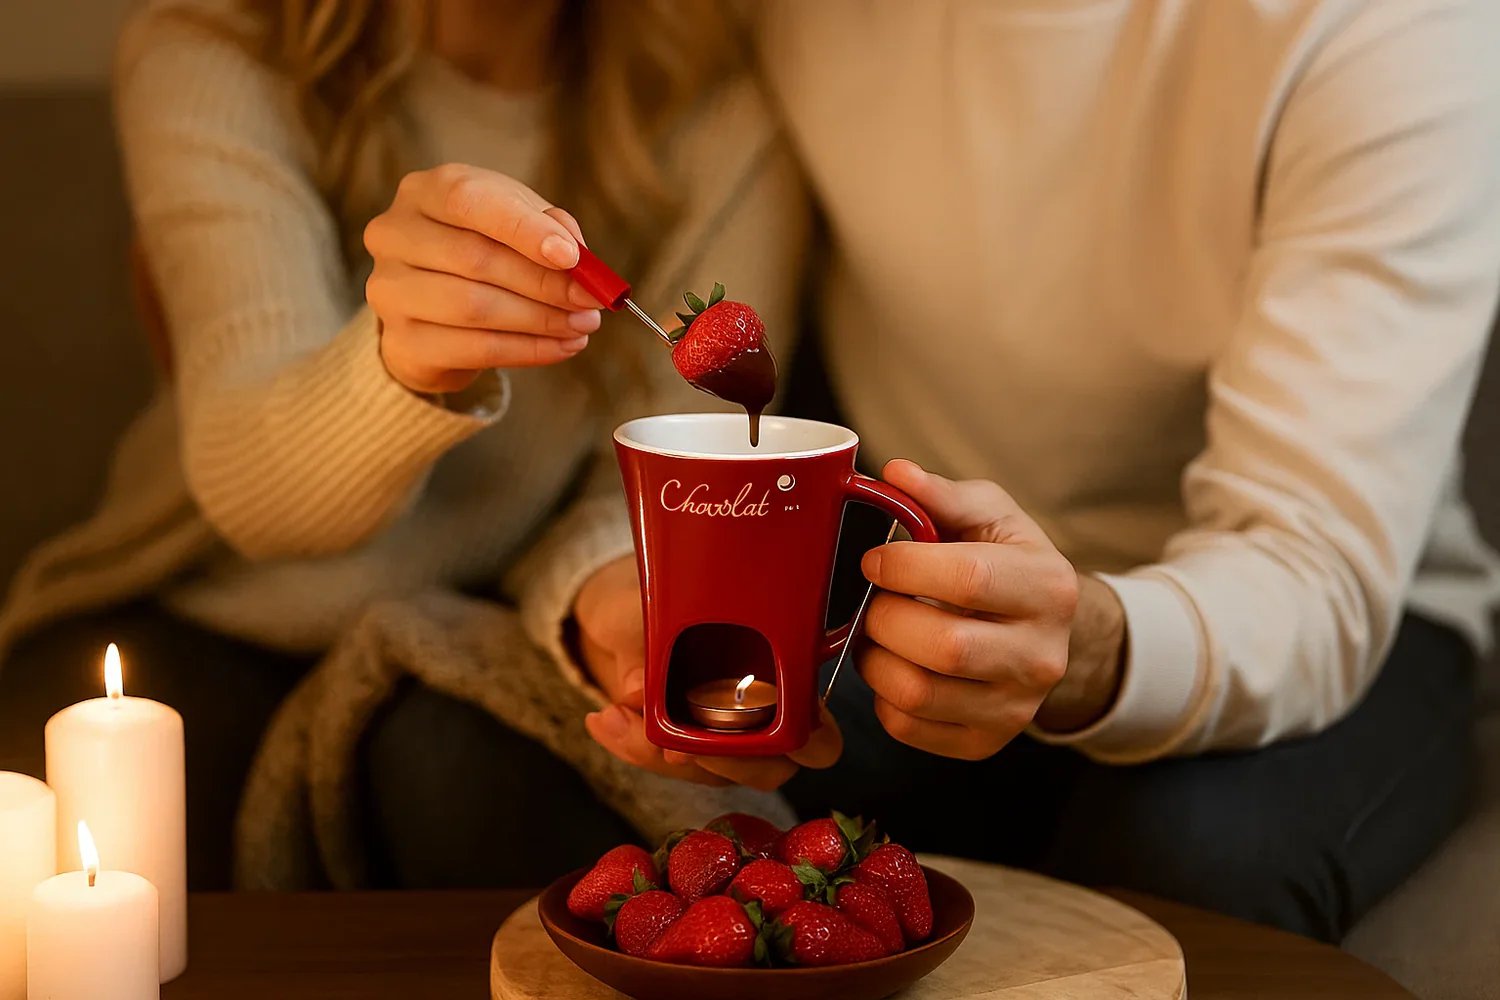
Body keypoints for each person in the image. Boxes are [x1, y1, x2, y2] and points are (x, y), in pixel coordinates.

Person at [569, 0, 1500, 941]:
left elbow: (1315, 565)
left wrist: (1087, 647)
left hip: (1315, 616)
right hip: (913, 579)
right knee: (616, 789)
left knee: (1182, 875)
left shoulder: (1391, 27)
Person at [0, 0, 818, 890]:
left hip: (491, 615)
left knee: (460, 778)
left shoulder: (724, 112)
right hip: (208, 601)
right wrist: (403, 366)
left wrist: (616, 604)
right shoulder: (212, 47)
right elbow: (259, 498)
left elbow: (657, 484)